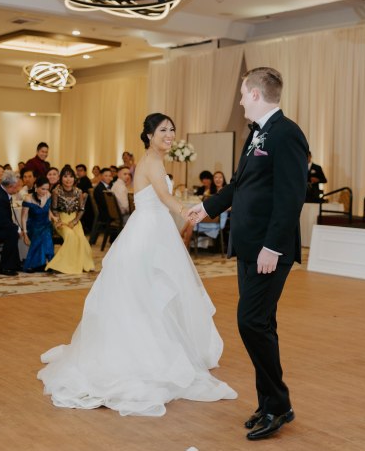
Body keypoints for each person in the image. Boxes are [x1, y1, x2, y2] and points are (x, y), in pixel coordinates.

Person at [38, 113, 236, 416]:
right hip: (148, 232)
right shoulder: (152, 162)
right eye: (163, 130)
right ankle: (146, 352)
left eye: (172, 130)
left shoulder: (153, 160)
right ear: (148, 135)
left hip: (153, 229)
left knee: (152, 292)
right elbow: (164, 197)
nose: (169, 134)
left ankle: (158, 344)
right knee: (148, 291)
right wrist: (187, 212)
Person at [188, 67, 308, 440]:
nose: (240, 101)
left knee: (251, 322)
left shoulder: (287, 133)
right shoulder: (255, 134)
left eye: (242, 94)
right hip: (248, 247)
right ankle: (269, 403)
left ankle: (279, 403)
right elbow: (240, 186)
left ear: (255, 94)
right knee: (261, 324)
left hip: (268, 250)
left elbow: (291, 197)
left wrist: (273, 246)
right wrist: (206, 207)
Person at [46, 165, 94, 274]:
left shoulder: (78, 191)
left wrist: (74, 221)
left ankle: (79, 263)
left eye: (71, 176)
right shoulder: (56, 191)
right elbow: (54, 209)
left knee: (81, 238)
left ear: (74, 178)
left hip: (75, 221)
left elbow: (81, 209)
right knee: (70, 235)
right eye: (65, 176)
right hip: (60, 220)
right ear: (61, 178)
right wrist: (58, 221)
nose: (68, 179)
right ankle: (62, 265)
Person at [0, 170, 23, 275]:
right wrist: (18, 229)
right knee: (12, 233)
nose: (17, 189)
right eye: (16, 187)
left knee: (12, 230)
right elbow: (2, 222)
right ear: (10, 186)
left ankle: (14, 264)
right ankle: (5, 268)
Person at [20, 176, 54, 273]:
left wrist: (53, 217)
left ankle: (45, 263)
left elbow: (48, 210)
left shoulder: (48, 195)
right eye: (43, 189)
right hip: (33, 225)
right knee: (41, 235)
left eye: (47, 189)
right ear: (36, 186)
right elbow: (23, 217)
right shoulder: (28, 198)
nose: (45, 191)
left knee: (46, 234)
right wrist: (25, 233)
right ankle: (37, 264)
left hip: (46, 224)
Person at [90, 167, 114, 245]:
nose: (108, 177)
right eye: (106, 175)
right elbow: (104, 204)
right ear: (101, 176)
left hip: (108, 211)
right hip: (104, 213)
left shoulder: (110, 186)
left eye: (110, 176)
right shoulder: (99, 188)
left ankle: (113, 238)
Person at [75, 164, 94, 233]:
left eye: (81, 170)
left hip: (85, 206)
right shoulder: (79, 180)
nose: (79, 172)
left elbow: (84, 195)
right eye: (77, 170)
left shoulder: (85, 180)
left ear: (85, 172)